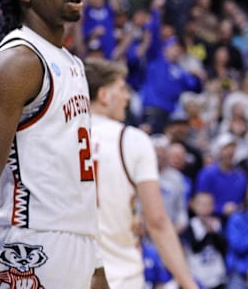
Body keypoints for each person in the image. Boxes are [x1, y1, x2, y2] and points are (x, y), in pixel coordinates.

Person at [0, 0, 108, 289]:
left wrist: (96, 263)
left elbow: (76, 177)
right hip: (28, 243)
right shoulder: (18, 61)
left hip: (77, 241)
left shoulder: (72, 64)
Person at [84, 57, 199, 289]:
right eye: (122, 89)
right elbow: (157, 221)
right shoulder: (132, 139)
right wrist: (188, 283)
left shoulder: (60, 136)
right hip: (119, 275)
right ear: (104, 95)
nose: (128, 97)